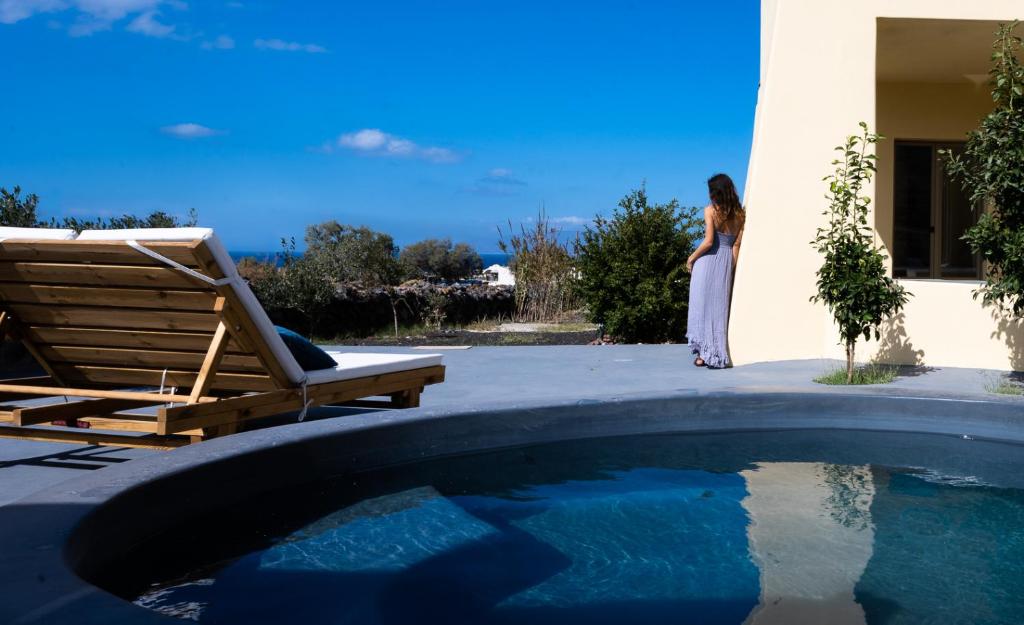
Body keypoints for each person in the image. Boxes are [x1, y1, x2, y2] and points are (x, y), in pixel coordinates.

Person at [685, 173, 745, 368]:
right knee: (718, 311)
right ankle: (716, 354)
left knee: (701, 308)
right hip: (725, 262)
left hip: (707, 262)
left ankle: (704, 354)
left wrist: (691, 258)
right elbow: (736, 245)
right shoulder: (740, 215)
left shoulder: (710, 211)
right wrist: (730, 267)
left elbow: (709, 241)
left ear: (715, 193)